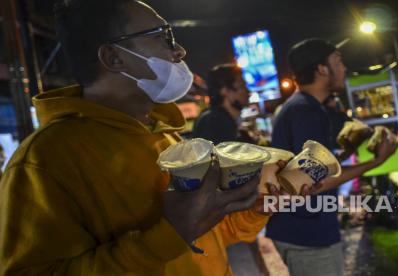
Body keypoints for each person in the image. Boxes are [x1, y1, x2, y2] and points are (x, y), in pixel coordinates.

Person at [0, 1, 279, 275]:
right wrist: (169, 234)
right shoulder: (44, 161)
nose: (180, 50)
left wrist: (256, 204)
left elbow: (209, 234)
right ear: (113, 57)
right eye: (162, 37)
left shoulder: (164, 135)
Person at [266, 38, 398, 276]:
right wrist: (378, 160)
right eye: (339, 61)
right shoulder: (308, 111)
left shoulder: (300, 106)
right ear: (321, 69)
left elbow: (317, 167)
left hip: (297, 227)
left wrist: (349, 148)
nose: (344, 68)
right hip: (308, 234)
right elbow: (314, 182)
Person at [192, 64, 255, 145]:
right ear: (225, 91)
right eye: (242, 86)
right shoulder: (216, 123)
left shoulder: (217, 117)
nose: (248, 91)